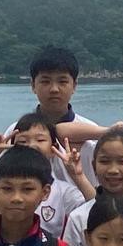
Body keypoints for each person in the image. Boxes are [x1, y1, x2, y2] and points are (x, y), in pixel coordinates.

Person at [6, 111, 97, 238]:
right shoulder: (0, 184)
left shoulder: (64, 191)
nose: (31, 146)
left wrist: (78, 176)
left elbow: (95, 211)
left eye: (40, 140)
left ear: (54, 148)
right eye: (22, 141)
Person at [26, 45, 100, 184]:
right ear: (33, 85)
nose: (54, 89)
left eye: (62, 81)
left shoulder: (92, 134)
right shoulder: (17, 132)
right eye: (45, 81)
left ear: (74, 86)